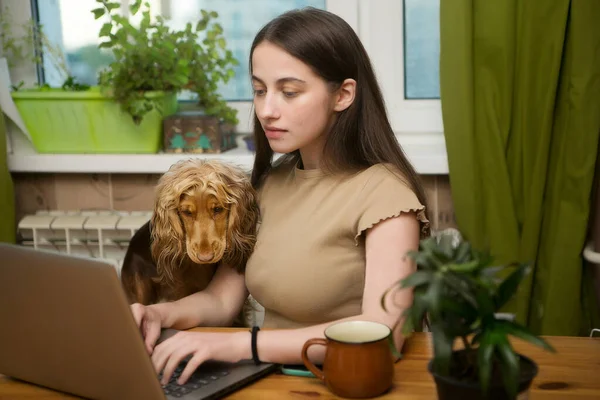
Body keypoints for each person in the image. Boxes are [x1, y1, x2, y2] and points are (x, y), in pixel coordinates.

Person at [131, 7, 430, 386]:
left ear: (343, 94)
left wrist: (246, 345)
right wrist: (161, 315)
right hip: (267, 381)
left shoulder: (386, 195)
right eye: (259, 90)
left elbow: (383, 332)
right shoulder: (268, 185)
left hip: (343, 385)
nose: (267, 110)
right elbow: (222, 300)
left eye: (289, 92)